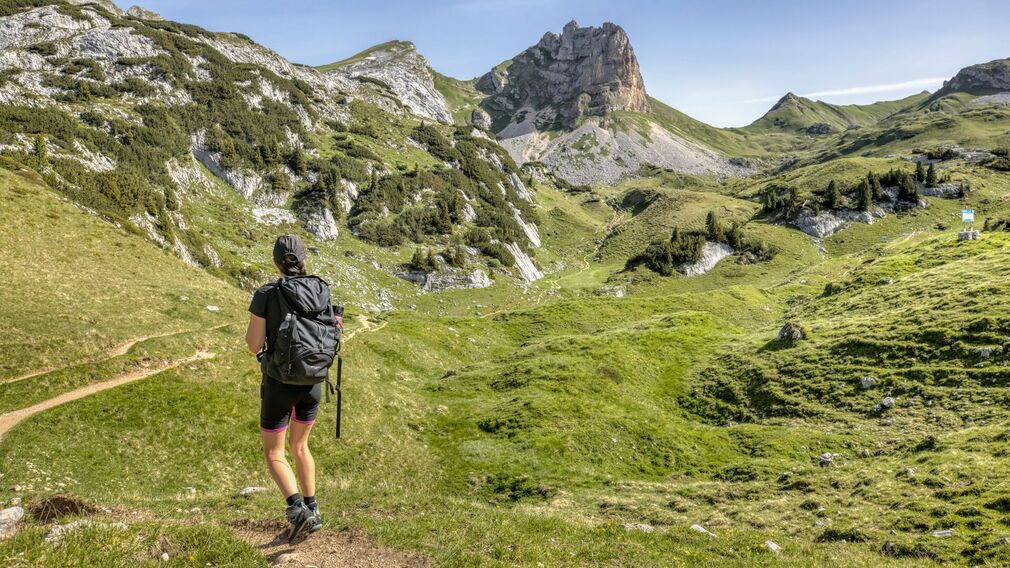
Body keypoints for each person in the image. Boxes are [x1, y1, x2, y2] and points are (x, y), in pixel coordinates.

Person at [245, 235, 328, 539]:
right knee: (301, 446)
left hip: (280, 383)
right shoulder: (321, 289)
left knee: (274, 452)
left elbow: (254, 344)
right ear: (305, 259)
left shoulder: (267, 292)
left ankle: (297, 510)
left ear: (275, 262)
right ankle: (313, 508)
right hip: (313, 381)